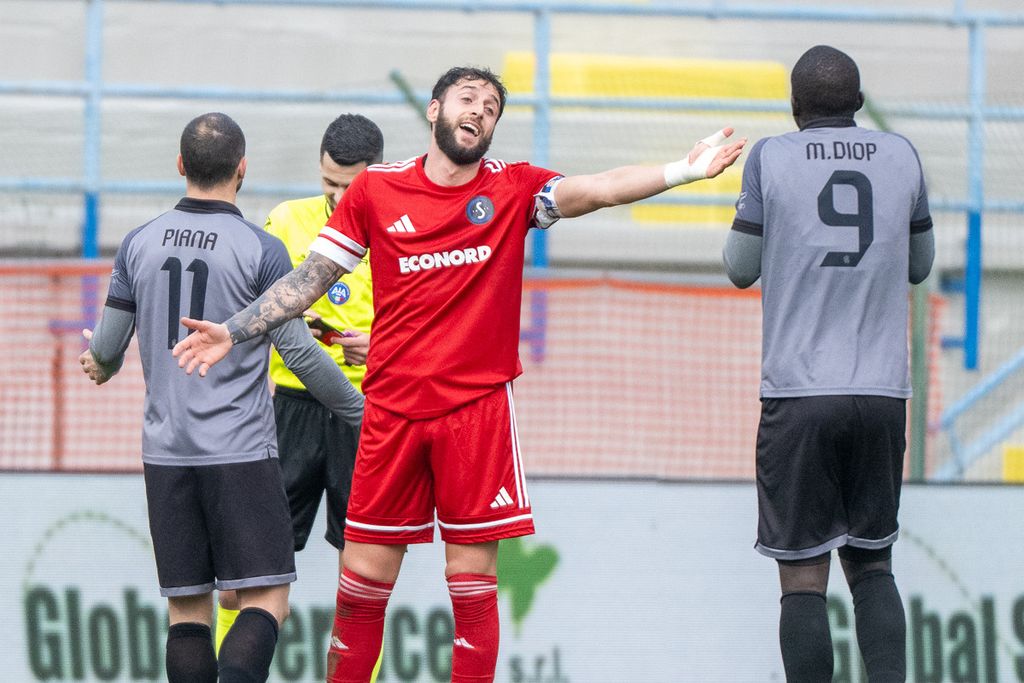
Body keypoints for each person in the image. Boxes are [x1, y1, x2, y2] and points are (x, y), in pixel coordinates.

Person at [172, 66, 745, 683]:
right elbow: (309, 280)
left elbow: (599, 188)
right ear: (435, 109)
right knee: (360, 592)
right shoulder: (376, 190)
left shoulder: (513, 189)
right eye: (467, 99)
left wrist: (682, 170)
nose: (478, 111)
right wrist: (235, 330)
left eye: (491, 107)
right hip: (389, 414)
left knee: (472, 591)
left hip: (476, 415)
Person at [78, 112, 364, 683]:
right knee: (266, 599)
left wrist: (100, 363)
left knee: (187, 613)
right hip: (240, 452)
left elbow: (107, 348)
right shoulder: (262, 249)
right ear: (242, 169)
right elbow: (301, 356)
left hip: (166, 454)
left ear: (180, 165)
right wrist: (363, 412)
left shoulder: (138, 243)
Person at [723, 46, 934, 681]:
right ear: (859, 103)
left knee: (802, 580)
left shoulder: (771, 156)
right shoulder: (902, 155)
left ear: (795, 107)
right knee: (873, 568)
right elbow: (920, 266)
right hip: (881, 394)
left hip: (799, 395)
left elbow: (739, 268)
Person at [214, 113, 384, 683]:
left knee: (362, 581)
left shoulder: (404, 232)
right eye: (328, 181)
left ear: (375, 175)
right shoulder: (287, 220)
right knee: (243, 581)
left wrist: (380, 345)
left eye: (349, 186)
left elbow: (433, 323)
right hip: (288, 407)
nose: (336, 196)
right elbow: (248, 302)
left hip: (366, 412)